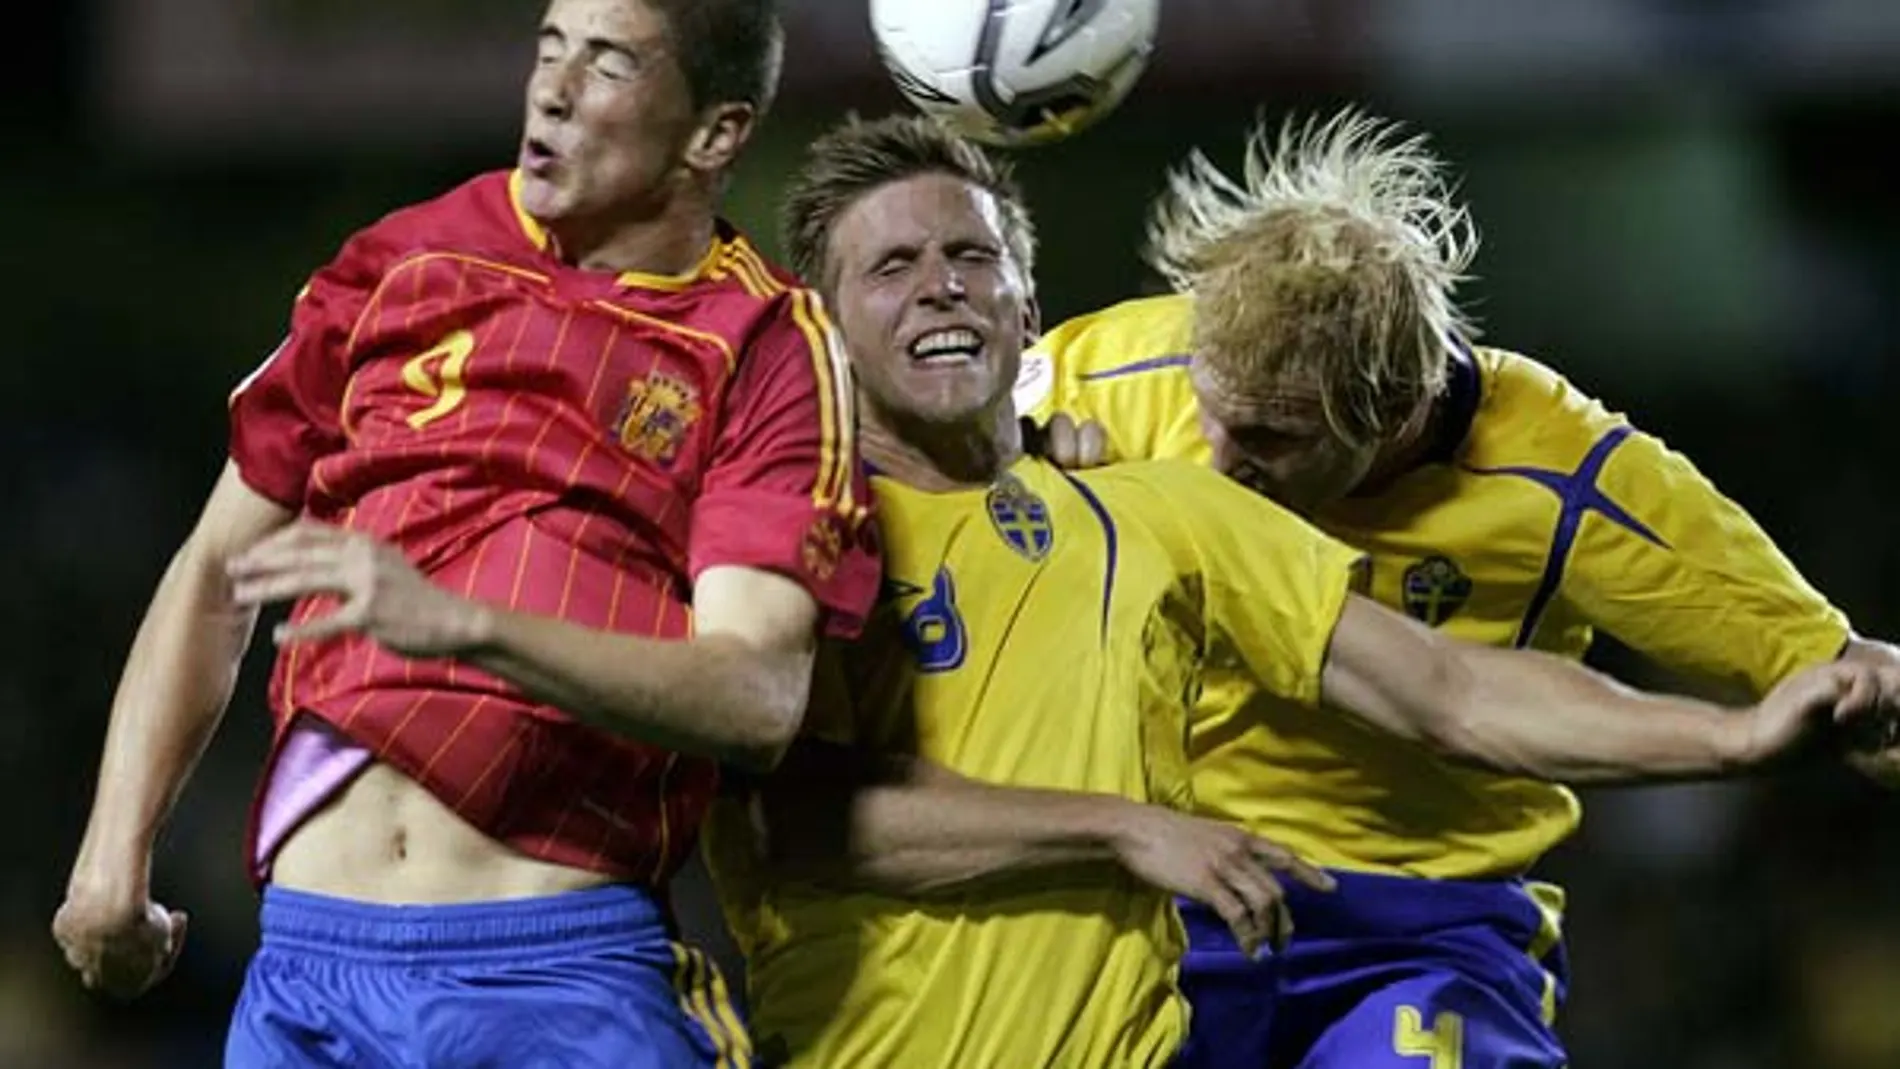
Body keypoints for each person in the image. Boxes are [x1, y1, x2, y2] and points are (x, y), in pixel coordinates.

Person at [701, 114, 1900, 1069]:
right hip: (1180, 894)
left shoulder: (1586, 487)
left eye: (1269, 442)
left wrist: (1773, 729)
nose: (1219, 459)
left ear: (1386, 419)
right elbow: (917, 423)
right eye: (1211, 416)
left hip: (1420, 928)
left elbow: (1466, 694)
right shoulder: (1121, 368)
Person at [50, 1, 879, 1065]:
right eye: (549, 49)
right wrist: (111, 862)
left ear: (714, 133)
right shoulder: (407, 258)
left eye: (611, 62)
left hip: (559, 976)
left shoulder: (764, 344)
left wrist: (461, 624)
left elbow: (755, 693)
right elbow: (219, 568)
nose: (554, 89)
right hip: (309, 974)